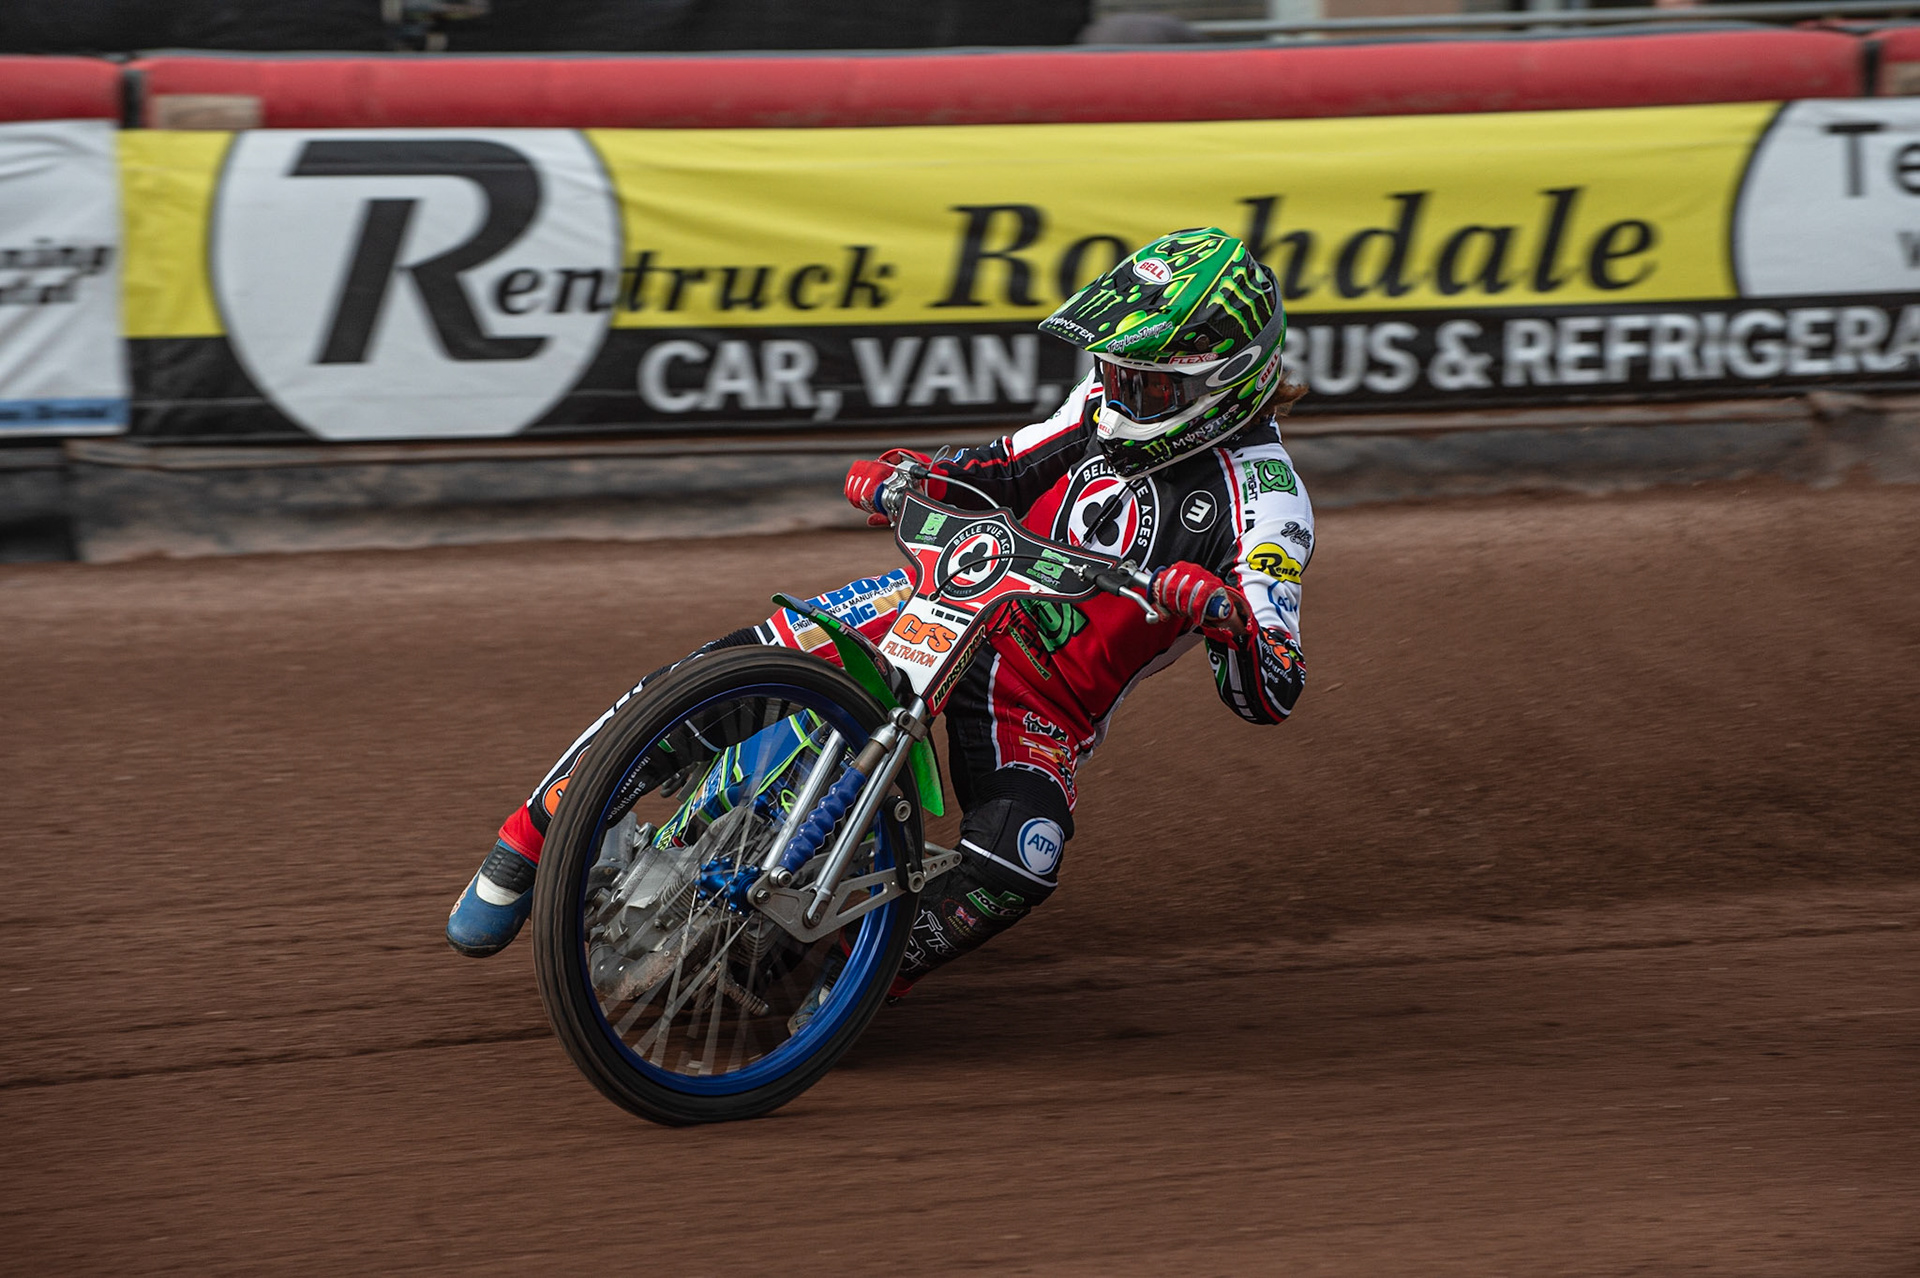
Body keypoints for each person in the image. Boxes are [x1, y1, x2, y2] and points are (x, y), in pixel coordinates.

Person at [446, 227, 1315, 995]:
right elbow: (1005, 467)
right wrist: (913, 472)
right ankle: (529, 837)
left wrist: (1229, 621)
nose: (1122, 398)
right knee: (736, 664)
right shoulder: (1102, 405)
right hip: (952, 600)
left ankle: (858, 984)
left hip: (1037, 702)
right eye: (1114, 373)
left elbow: (1271, 692)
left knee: (1021, 861)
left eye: (1149, 386)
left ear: (1229, 380)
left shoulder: (1268, 505)